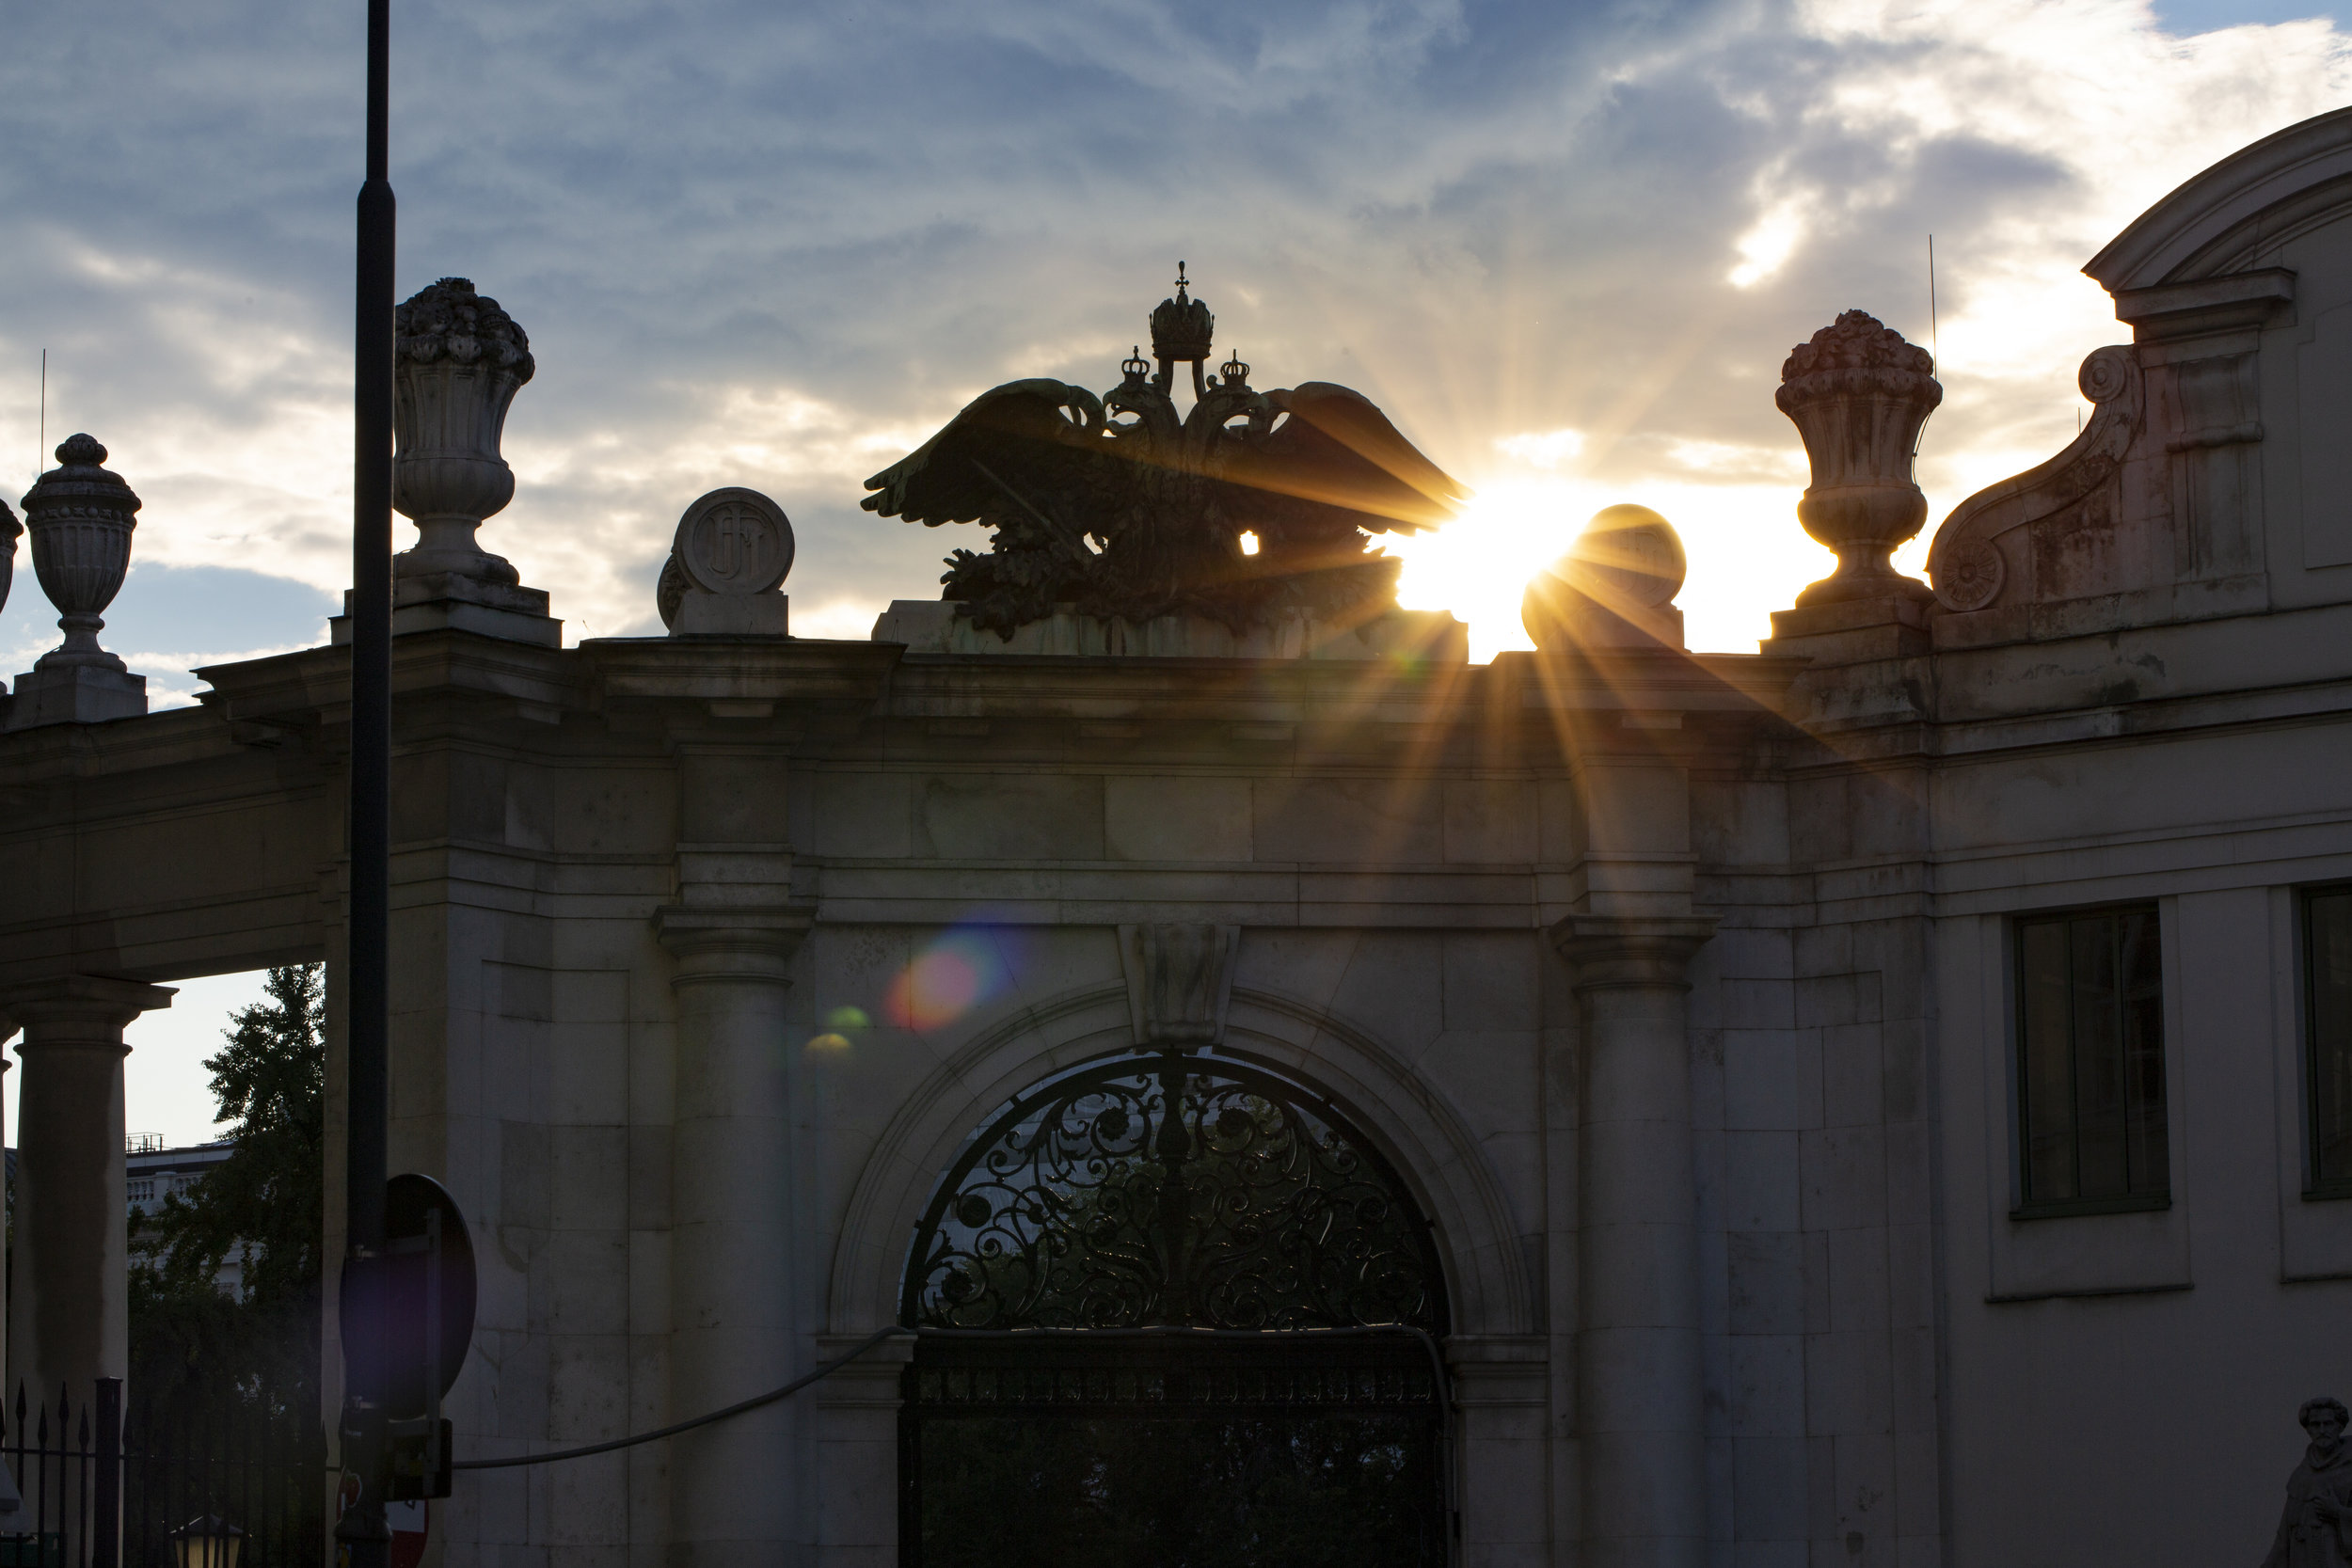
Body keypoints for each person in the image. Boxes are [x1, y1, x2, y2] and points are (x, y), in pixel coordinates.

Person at [2265, 1398, 2352, 1568]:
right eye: (2315, 1425)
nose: (2322, 1430)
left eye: (2328, 1423)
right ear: (2308, 1430)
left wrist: (2338, 1512)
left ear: (2339, 1427)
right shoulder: (2301, 1476)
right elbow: (2284, 1535)